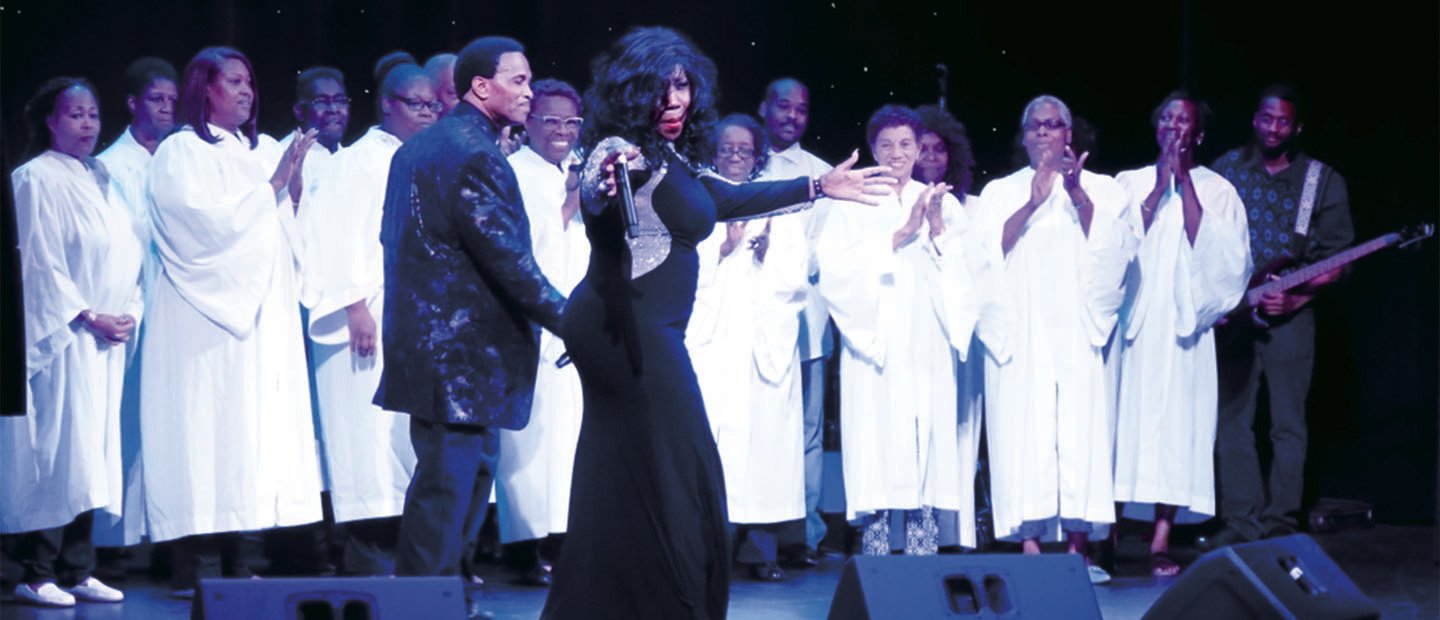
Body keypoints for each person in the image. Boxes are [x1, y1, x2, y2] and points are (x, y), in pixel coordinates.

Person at [541, 26, 892, 619]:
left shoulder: (669, 157)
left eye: (683, 88)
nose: (676, 101)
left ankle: (604, 603)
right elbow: (604, 196)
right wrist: (606, 186)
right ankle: (669, 603)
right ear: (633, 91)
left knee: (627, 474)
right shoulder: (618, 151)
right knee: (684, 465)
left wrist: (818, 186)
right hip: (626, 333)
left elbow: (725, 198)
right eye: (662, 89)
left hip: (632, 332)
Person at [375, 37, 566, 615]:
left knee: (454, 487)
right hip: (458, 356)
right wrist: (571, 320)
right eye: (519, 81)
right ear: (481, 86)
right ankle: (421, 605)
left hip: (434, 350)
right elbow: (506, 257)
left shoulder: (421, 147)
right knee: (446, 490)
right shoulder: (474, 153)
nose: (529, 93)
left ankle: (442, 599)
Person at [140, 46, 322, 596]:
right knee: (203, 429)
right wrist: (271, 187)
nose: (246, 91)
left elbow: (286, 226)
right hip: (206, 319)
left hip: (263, 317)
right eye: (234, 81)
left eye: (249, 81)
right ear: (206, 90)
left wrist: (290, 184)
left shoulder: (264, 147)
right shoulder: (181, 153)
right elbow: (197, 230)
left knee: (251, 433)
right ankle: (192, 561)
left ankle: (239, 554)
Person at [973, 95, 1135, 584]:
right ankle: (1028, 547)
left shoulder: (1103, 190)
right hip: (1021, 331)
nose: (1044, 132)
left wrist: (1076, 193)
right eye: (1035, 126)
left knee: (1078, 435)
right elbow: (985, 254)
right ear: (1024, 137)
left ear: (1070, 134)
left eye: (1054, 125)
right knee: (1024, 432)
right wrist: (1035, 201)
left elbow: (1118, 253)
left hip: (1076, 331)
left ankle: (1077, 550)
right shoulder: (1000, 191)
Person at [816, 104, 980, 557]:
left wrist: (938, 231)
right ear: (872, 149)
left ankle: (922, 552)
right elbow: (835, 272)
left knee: (923, 434)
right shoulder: (851, 202)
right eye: (886, 145)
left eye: (906, 144)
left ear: (919, 148)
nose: (897, 153)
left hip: (925, 339)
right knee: (878, 438)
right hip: (877, 342)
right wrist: (899, 235)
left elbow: (966, 279)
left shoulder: (940, 201)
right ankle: (875, 554)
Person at [296, 54, 438, 577]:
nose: (426, 113)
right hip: (362, 316)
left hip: (404, 317)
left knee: (398, 445)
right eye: (415, 104)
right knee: (365, 444)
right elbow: (330, 235)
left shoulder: (413, 156)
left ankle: (400, 566)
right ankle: (366, 565)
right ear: (386, 105)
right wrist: (353, 305)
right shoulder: (357, 161)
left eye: (432, 104)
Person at [3, 76, 141, 608]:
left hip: (104, 342)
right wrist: (85, 315)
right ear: (51, 121)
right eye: (75, 115)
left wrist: (129, 311)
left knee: (93, 456)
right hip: (62, 341)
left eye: (92, 115)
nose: (87, 125)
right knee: (58, 451)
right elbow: (37, 262)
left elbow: (127, 250)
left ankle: (78, 567)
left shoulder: (100, 176)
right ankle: (34, 571)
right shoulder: (35, 178)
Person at [1206, 84, 1354, 548]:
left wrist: (1297, 298)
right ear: (1255, 119)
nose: (1274, 128)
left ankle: (1281, 524)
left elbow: (1340, 259)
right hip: (1234, 316)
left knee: (1287, 424)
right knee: (1232, 422)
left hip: (1291, 317)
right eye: (1267, 119)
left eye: (1283, 121)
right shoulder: (1226, 170)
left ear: (1297, 127)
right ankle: (1241, 521)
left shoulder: (1320, 181)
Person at [1111, 91, 1252, 576]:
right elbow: (1118, 243)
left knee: (1176, 431)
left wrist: (1183, 179)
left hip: (1183, 332)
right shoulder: (1127, 183)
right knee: (1119, 426)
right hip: (1133, 327)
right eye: (1167, 118)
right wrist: (1158, 185)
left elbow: (1221, 258)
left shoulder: (1218, 190)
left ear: (1199, 134)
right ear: (1156, 128)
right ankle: (1107, 536)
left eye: (1184, 121)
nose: (1174, 126)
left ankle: (1161, 540)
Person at [686, 113, 807, 581]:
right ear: (713, 152)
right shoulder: (700, 197)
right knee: (714, 443)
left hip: (762, 342)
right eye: (726, 149)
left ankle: (761, 551)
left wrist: (765, 256)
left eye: (744, 150)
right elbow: (684, 269)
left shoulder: (777, 203)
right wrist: (724, 249)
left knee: (763, 446)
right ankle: (707, 547)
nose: (735, 157)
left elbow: (796, 275)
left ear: (757, 156)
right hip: (714, 343)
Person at [494, 78, 588, 588]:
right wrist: (569, 208)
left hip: (577, 328)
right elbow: (519, 251)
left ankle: (566, 544)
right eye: (550, 121)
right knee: (528, 448)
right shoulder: (513, 173)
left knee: (570, 442)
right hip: (531, 326)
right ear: (527, 124)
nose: (561, 131)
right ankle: (524, 550)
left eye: (571, 122)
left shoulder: (580, 172)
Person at [93, 56, 178, 548]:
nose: (166, 109)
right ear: (132, 103)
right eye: (156, 100)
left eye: (172, 100)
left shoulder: (182, 155)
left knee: (165, 425)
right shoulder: (110, 166)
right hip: (129, 304)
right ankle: (113, 543)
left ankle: (163, 541)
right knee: (122, 422)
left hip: (174, 301)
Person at [754, 77, 835, 566]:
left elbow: (822, 256)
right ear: (764, 107)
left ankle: (803, 534)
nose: (791, 116)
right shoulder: (737, 160)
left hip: (804, 323)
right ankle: (744, 528)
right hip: (742, 320)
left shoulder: (821, 175)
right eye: (782, 105)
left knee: (805, 430)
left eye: (800, 110)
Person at [914, 102, 987, 552]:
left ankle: (958, 531)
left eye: (939, 150)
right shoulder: (891, 203)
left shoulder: (969, 208)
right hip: (916, 334)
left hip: (958, 336)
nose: (931, 158)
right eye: (921, 149)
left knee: (959, 432)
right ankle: (918, 529)